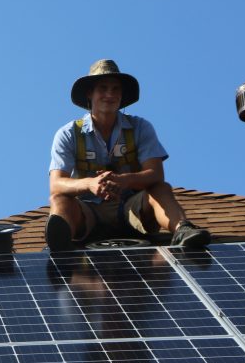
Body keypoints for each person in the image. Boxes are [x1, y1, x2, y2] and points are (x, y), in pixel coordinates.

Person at [46, 59, 210, 252]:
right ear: (90, 93)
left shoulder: (140, 127)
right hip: (87, 214)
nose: (110, 94)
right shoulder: (68, 133)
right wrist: (90, 184)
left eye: (116, 89)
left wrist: (123, 180)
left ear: (122, 95)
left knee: (160, 188)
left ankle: (182, 229)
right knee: (59, 199)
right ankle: (60, 243)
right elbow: (56, 184)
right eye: (103, 88)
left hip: (132, 210)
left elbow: (156, 174)